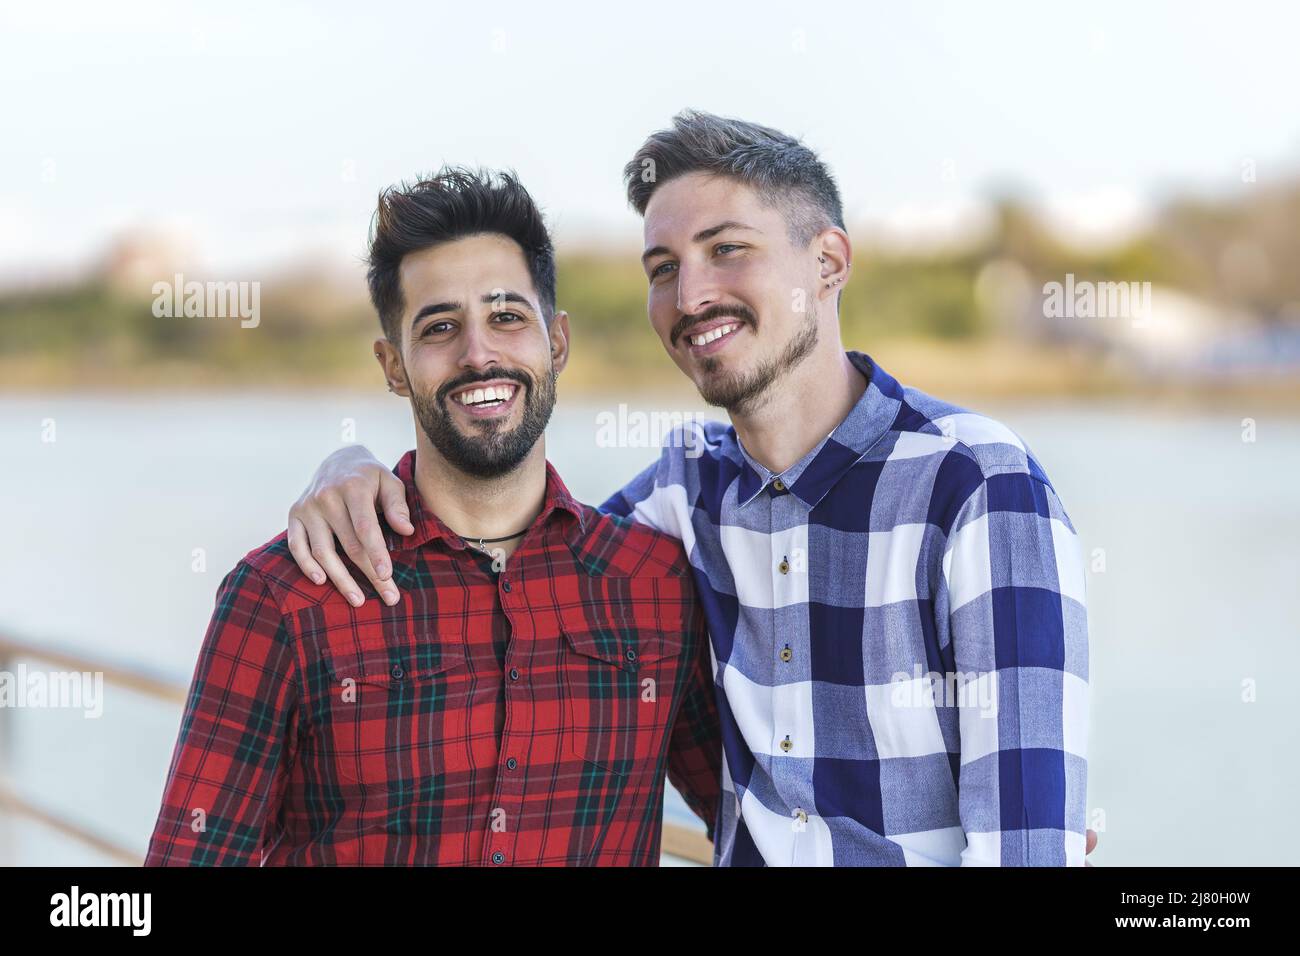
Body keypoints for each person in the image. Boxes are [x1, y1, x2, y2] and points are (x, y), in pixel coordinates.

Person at [288, 111, 1095, 866]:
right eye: (663, 269)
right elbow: (507, 546)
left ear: (828, 262)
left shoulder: (978, 485)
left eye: (728, 249)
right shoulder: (684, 495)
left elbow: (1024, 845)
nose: (691, 295)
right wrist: (347, 467)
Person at [146, 168, 721, 866]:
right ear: (393, 366)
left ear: (557, 343)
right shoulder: (284, 597)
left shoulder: (655, 583)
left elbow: (756, 811)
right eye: (440, 327)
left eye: (507, 317)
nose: (479, 354)